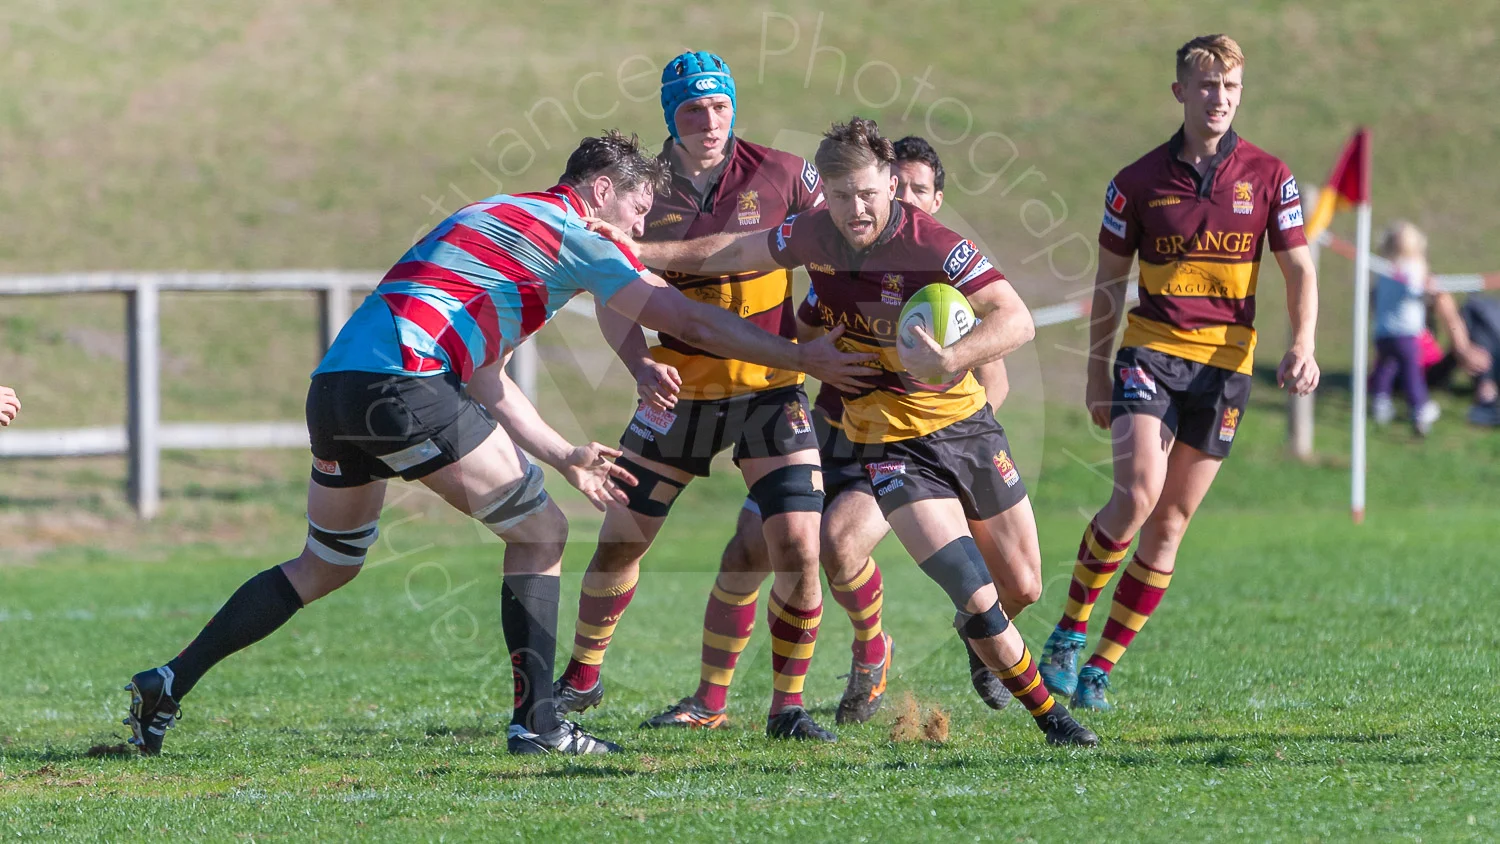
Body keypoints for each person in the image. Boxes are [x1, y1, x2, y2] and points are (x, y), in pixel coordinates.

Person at [121, 130, 872, 757]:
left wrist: (566, 455)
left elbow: (485, 375)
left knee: (327, 563)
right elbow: (690, 320)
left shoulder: (493, 214)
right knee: (541, 532)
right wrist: (800, 359)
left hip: (338, 387)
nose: (637, 232)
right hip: (406, 385)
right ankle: (540, 721)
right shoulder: (581, 234)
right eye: (638, 211)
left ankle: (168, 681)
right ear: (604, 189)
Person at [604, 116, 1100, 746]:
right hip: (890, 448)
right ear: (825, 193)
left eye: (867, 193)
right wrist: (642, 252)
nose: (854, 209)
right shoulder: (816, 234)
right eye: (840, 196)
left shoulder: (932, 244)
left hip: (967, 430)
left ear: (891, 184)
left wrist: (951, 359)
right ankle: (1054, 720)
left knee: (1022, 586)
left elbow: (1016, 317)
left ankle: (986, 646)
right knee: (967, 587)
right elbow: (734, 249)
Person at [553, 52, 847, 743]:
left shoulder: (784, 172)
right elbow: (612, 295)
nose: (709, 120)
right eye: (692, 109)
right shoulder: (640, 193)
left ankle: (788, 708)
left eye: (719, 106)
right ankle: (583, 678)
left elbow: (835, 248)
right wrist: (638, 366)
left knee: (800, 545)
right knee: (621, 541)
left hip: (771, 392)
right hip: (677, 392)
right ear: (670, 116)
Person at [1039, 34, 1320, 711]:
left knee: (1170, 524)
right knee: (1137, 494)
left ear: (1239, 94)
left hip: (1226, 368)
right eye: (1206, 85)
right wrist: (1096, 373)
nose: (1218, 98)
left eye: (1230, 87)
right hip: (1152, 354)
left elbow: (1301, 267)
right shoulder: (1135, 182)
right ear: (1180, 92)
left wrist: (1303, 343)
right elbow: (1109, 284)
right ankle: (1068, 634)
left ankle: (1100, 669)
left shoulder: (1270, 175)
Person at [1369, 221, 1441, 435]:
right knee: (1412, 371)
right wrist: (1429, 292)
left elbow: (1374, 297)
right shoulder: (1413, 267)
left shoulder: (1384, 268)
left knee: (1385, 366)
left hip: (1383, 332)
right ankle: (1419, 408)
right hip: (1406, 333)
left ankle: (1380, 403)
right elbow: (1415, 291)